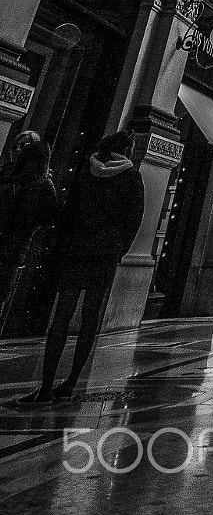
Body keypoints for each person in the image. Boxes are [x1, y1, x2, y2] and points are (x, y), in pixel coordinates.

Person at [20, 130, 144, 404]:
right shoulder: (131, 177)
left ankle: (45, 386)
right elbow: (134, 220)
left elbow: (69, 208)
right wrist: (116, 249)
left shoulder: (87, 170)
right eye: (133, 147)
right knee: (89, 319)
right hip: (103, 255)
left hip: (75, 249)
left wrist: (65, 243)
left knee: (62, 315)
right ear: (125, 149)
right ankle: (71, 382)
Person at [0, 132, 56, 327]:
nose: (19, 151)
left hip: (14, 248)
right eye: (18, 147)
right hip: (15, 247)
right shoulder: (8, 176)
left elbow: (47, 219)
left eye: (25, 147)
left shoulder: (38, 184)